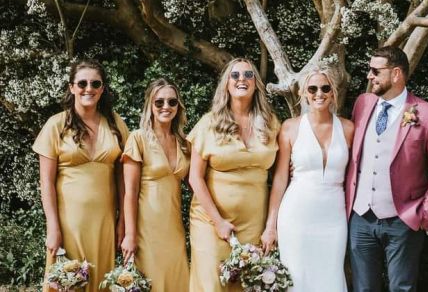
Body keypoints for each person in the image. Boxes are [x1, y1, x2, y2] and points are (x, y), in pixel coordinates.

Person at [345, 46, 428, 292]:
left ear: (395, 74)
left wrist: (425, 214)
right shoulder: (363, 104)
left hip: (402, 219)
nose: (369, 76)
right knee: (363, 288)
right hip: (361, 217)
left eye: (375, 71)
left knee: (402, 288)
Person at [33, 60, 129, 292]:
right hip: (68, 223)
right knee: (67, 283)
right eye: (82, 83)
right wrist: (52, 227)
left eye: (95, 83)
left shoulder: (115, 124)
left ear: (102, 88)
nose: (89, 88)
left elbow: (124, 177)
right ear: (72, 87)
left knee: (100, 281)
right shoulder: (56, 125)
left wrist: (123, 221)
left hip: (104, 223)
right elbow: (46, 182)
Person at [187, 57, 280, 292]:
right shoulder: (209, 123)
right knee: (211, 284)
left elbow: (280, 176)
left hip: (254, 223)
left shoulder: (270, 123)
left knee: (246, 285)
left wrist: (271, 225)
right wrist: (218, 222)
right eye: (235, 75)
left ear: (256, 83)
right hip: (210, 221)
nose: (242, 79)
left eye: (248, 75)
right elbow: (194, 178)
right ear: (226, 84)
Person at [261, 63, 354, 291]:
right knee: (296, 277)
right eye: (312, 89)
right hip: (296, 217)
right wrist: (270, 226)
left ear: (333, 92)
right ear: (303, 93)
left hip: (334, 218)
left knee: (330, 276)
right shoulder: (290, 128)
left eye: (325, 88)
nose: (319, 94)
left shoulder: (349, 129)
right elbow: (281, 179)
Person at [121, 78, 189, 292]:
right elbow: (129, 193)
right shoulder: (138, 139)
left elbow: (197, 181)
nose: (166, 107)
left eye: (172, 102)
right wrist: (130, 235)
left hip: (174, 228)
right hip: (146, 229)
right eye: (159, 102)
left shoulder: (184, 142)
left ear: (178, 107)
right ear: (150, 105)